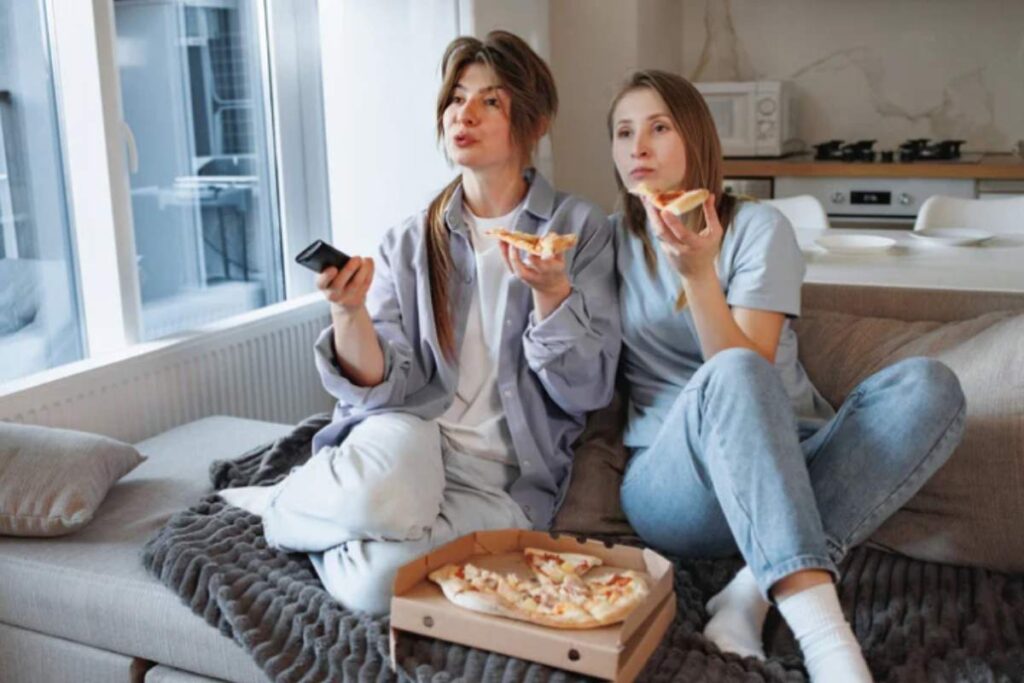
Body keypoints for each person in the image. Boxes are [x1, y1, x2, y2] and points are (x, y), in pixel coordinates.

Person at [220, 31, 619, 616]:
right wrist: (347, 311)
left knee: (373, 587)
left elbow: (588, 389)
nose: (465, 113)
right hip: (413, 435)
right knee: (394, 490)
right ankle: (297, 502)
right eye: (457, 98)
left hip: (502, 477)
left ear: (532, 122)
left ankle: (318, 508)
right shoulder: (411, 240)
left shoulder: (579, 228)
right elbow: (387, 383)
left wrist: (552, 293)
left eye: (491, 101)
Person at [608, 70, 965, 683]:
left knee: (933, 387)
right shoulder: (607, 241)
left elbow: (754, 367)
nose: (637, 146)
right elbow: (727, 372)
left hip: (792, 459)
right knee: (734, 373)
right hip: (677, 486)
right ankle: (829, 645)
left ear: (695, 139)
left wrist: (699, 275)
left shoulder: (758, 228)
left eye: (659, 128)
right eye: (623, 132)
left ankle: (750, 590)